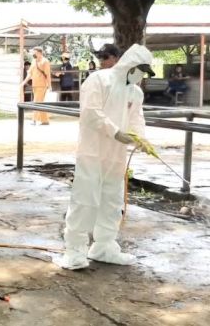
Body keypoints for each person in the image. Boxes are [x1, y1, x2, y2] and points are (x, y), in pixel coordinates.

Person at [54, 44, 155, 271]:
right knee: (85, 201)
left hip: (116, 155)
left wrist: (141, 139)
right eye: (140, 70)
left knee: (112, 201)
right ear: (130, 65)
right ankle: (74, 250)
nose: (140, 76)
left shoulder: (134, 92)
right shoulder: (99, 80)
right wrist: (115, 132)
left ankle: (104, 246)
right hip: (92, 152)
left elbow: (137, 119)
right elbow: (90, 113)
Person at [21, 47, 52, 125]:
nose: (33, 54)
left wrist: (50, 85)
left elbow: (48, 75)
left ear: (39, 52)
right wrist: (24, 82)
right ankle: (45, 120)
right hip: (35, 84)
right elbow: (30, 73)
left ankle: (34, 120)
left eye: (34, 52)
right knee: (40, 102)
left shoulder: (45, 61)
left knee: (36, 102)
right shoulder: (34, 61)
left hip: (42, 85)